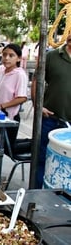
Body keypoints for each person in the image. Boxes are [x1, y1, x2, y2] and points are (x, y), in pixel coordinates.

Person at [31, 33, 71, 188]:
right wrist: (38, 105)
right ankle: (35, 195)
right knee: (41, 159)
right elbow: (36, 80)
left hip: (69, 126)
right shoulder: (52, 56)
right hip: (50, 120)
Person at [0, 43, 27, 155]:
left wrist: (3, 106)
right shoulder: (1, 69)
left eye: (11, 55)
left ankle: (34, 144)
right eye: (5, 54)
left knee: (7, 149)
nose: (7, 58)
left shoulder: (20, 75)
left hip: (9, 116)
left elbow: (22, 97)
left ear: (18, 58)